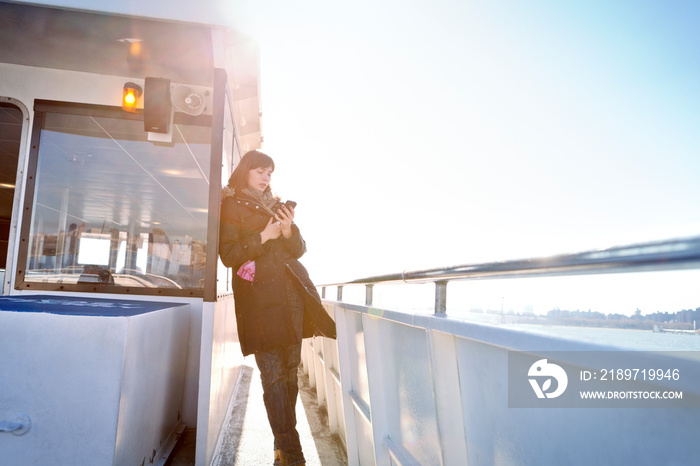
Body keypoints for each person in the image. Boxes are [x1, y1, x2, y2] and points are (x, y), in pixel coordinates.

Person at [219, 150, 336, 466]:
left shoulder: (274, 205)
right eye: (260, 171)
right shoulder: (230, 205)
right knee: (272, 377)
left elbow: (298, 251)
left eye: (269, 172)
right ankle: (294, 455)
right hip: (259, 300)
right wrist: (264, 234)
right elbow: (229, 255)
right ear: (245, 172)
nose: (266, 177)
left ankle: (282, 450)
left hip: (291, 297)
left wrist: (286, 229)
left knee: (288, 377)